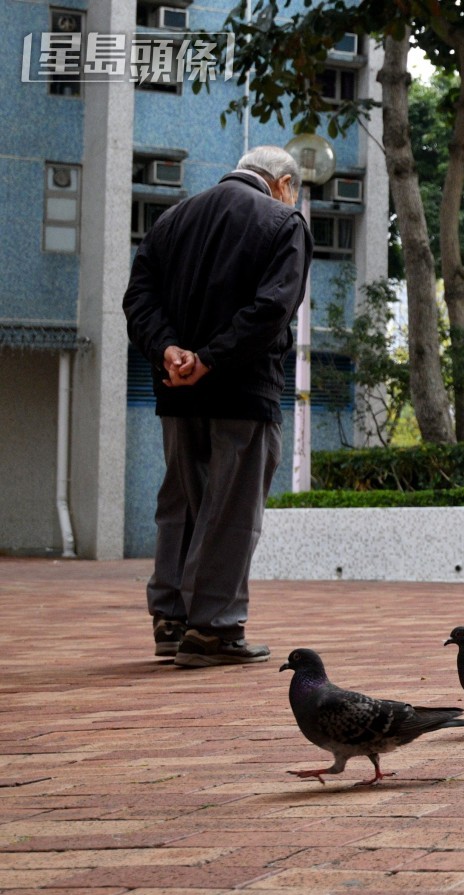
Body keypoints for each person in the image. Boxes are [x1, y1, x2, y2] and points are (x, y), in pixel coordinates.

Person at [123, 145, 312, 667]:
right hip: (242, 392)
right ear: (283, 184)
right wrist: (211, 360)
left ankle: (171, 620)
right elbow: (272, 308)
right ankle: (213, 629)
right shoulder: (283, 223)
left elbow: (138, 300)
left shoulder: (171, 219)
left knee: (181, 501)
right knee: (231, 509)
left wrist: (169, 351)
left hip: (176, 390)